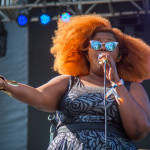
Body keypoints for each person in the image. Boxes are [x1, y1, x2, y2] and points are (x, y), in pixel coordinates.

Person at [0, 14, 150, 150]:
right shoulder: (69, 82)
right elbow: (38, 95)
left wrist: (116, 82)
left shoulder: (132, 88)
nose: (103, 47)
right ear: (86, 53)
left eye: (111, 45)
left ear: (119, 56)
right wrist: (6, 84)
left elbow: (139, 131)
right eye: (96, 45)